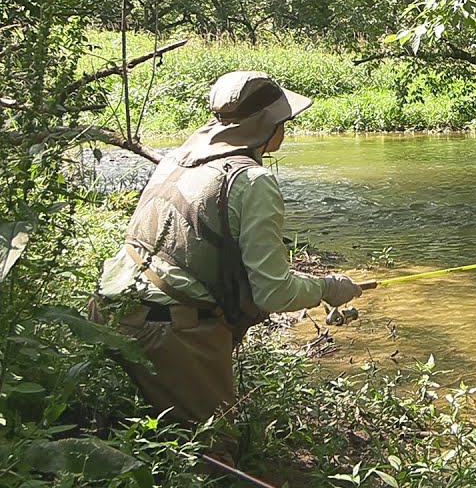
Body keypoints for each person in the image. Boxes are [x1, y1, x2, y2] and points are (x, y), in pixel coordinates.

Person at [90, 71, 363, 453]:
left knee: (145, 441)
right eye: (284, 122)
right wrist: (329, 288)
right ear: (270, 129)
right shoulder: (252, 181)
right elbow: (273, 292)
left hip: (105, 312)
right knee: (211, 453)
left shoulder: (178, 157)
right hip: (169, 332)